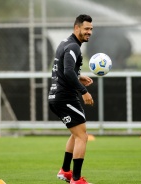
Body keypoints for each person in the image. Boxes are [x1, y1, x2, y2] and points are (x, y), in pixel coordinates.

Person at [48, 14, 94, 184]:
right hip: (65, 97)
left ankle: (66, 171)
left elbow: (65, 70)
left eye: (91, 29)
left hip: (56, 96)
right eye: (86, 29)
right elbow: (67, 72)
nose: (89, 32)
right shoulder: (74, 47)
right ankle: (76, 179)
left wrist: (79, 76)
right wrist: (83, 91)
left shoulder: (64, 43)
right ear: (77, 28)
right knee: (82, 137)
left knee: (76, 135)